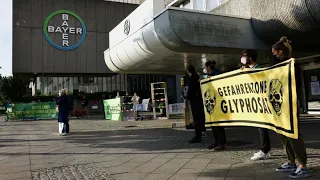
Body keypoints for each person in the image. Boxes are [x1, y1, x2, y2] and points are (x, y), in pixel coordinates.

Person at [272, 36, 309, 178]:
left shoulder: (293, 65)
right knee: (283, 134)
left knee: (293, 135)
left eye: (274, 52)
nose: (274, 55)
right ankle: (291, 161)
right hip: (281, 106)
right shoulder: (280, 66)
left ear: (280, 52)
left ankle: (302, 165)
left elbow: (296, 85)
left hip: (290, 105)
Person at [241, 49, 272, 160]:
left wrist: (248, 72)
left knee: (262, 126)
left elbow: (259, 81)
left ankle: (264, 150)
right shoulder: (249, 69)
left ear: (250, 58)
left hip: (261, 102)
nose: (243, 58)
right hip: (256, 102)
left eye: (245, 56)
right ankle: (266, 149)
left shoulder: (258, 69)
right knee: (261, 127)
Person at [204, 60, 227, 151]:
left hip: (218, 102)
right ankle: (217, 142)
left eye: (205, 67)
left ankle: (222, 143)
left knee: (219, 125)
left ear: (209, 67)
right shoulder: (210, 75)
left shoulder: (216, 74)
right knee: (214, 124)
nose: (205, 69)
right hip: (212, 102)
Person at [186, 65, 206, 143]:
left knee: (197, 118)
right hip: (197, 100)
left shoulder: (193, 79)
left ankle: (198, 135)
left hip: (195, 100)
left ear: (188, 71)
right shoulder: (196, 78)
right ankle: (200, 133)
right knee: (199, 118)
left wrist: (189, 96)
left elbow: (192, 89)